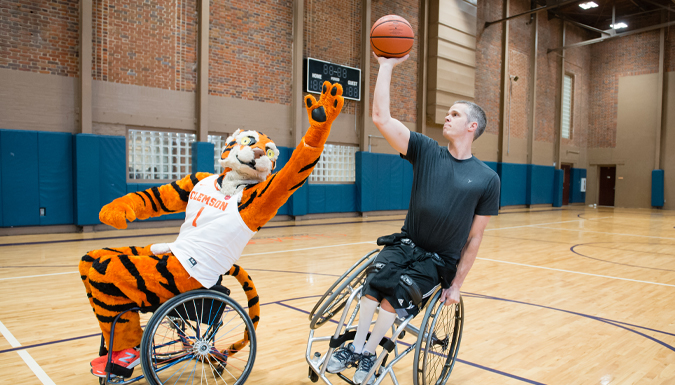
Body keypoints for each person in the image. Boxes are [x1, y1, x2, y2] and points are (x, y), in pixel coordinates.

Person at [79, 82, 344, 378]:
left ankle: (128, 350)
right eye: (251, 143)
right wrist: (129, 204)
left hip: (195, 272)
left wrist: (317, 132)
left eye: (267, 151)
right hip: (174, 255)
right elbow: (160, 197)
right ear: (231, 147)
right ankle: (126, 339)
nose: (258, 152)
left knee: (106, 270)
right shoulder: (202, 181)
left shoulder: (256, 200)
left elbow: (293, 172)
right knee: (91, 260)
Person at [326, 54, 500, 384]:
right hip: (406, 244)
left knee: (397, 295)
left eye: (455, 114)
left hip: (439, 261)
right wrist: (386, 66)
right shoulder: (425, 149)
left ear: (471, 126)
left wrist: (458, 285)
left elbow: (475, 238)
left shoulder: (487, 179)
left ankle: (366, 352)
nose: (446, 118)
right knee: (375, 279)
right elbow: (381, 118)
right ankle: (357, 347)